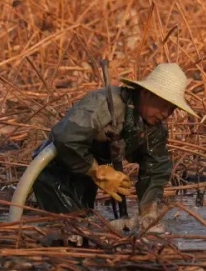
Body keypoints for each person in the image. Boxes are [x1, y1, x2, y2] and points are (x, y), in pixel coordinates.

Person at [31, 63, 197, 231]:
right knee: (67, 227)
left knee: (83, 222)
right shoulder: (102, 105)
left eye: (172, 109)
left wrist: (149, 210)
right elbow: (67, 139)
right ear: (147, 93)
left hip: (84, 175)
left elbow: (156, 169)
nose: (166, 113)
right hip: (56, 169)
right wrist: (96, 171)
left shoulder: (154, 128)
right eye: (163, 105)